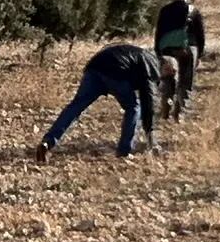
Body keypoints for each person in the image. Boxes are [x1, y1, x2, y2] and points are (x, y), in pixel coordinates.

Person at [36, 41, 164, 160]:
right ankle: (124, 152)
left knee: (75, 107)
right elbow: (148, 100)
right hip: (116, 71)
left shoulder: (141, 54)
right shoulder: (153, 64)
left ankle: (48, 142)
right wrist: (150, 132)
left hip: (94, 68)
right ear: (166, 67)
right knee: (134, 108)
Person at [153, 0, 205, 119]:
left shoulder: (165, 10)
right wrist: (200, 54)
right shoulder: (194, 11)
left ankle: (166, 109)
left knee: (169, 80)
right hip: (188, 50)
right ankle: (179, 112)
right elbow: (200, 35)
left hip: (168, 49)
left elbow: (159, 32)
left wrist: (158, 52)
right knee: (185, 82)